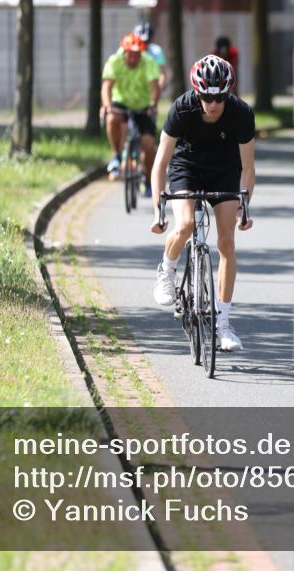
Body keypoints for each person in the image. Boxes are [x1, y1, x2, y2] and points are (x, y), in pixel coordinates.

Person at [150, 55, 256, 352]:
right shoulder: (182, 109)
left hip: (225, 170)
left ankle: (223, 324)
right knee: (185, 225)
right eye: (207, 97)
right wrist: (158, 210)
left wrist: (243, 208)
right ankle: (167, 270)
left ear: (227, 94)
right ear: (197, 92)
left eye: (219, 97)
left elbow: (248, 167)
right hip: (187, 167)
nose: (212, 103)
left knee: (226, 243)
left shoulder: (240, 113)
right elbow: (160, 164)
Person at [101, 33, 161, 196]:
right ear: (124, 51)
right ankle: (116, 156)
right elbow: (107, 87)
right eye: (131, 55)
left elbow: (155, 87)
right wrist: (106, 107)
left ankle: (148, 180)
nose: (134, 59)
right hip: (121, 103)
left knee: (148, 145)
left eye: (137, 55)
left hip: (143, 106)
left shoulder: (148, 62)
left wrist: (153, 104)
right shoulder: (115, 61)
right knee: (112, 118)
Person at [132, 22, 168, 97]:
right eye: (140, 41)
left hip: (150, 89)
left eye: (147, 41)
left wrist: (157, 92)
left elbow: (162, 74)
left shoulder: (156, 51)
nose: (144, 44)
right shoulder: (129, 51)